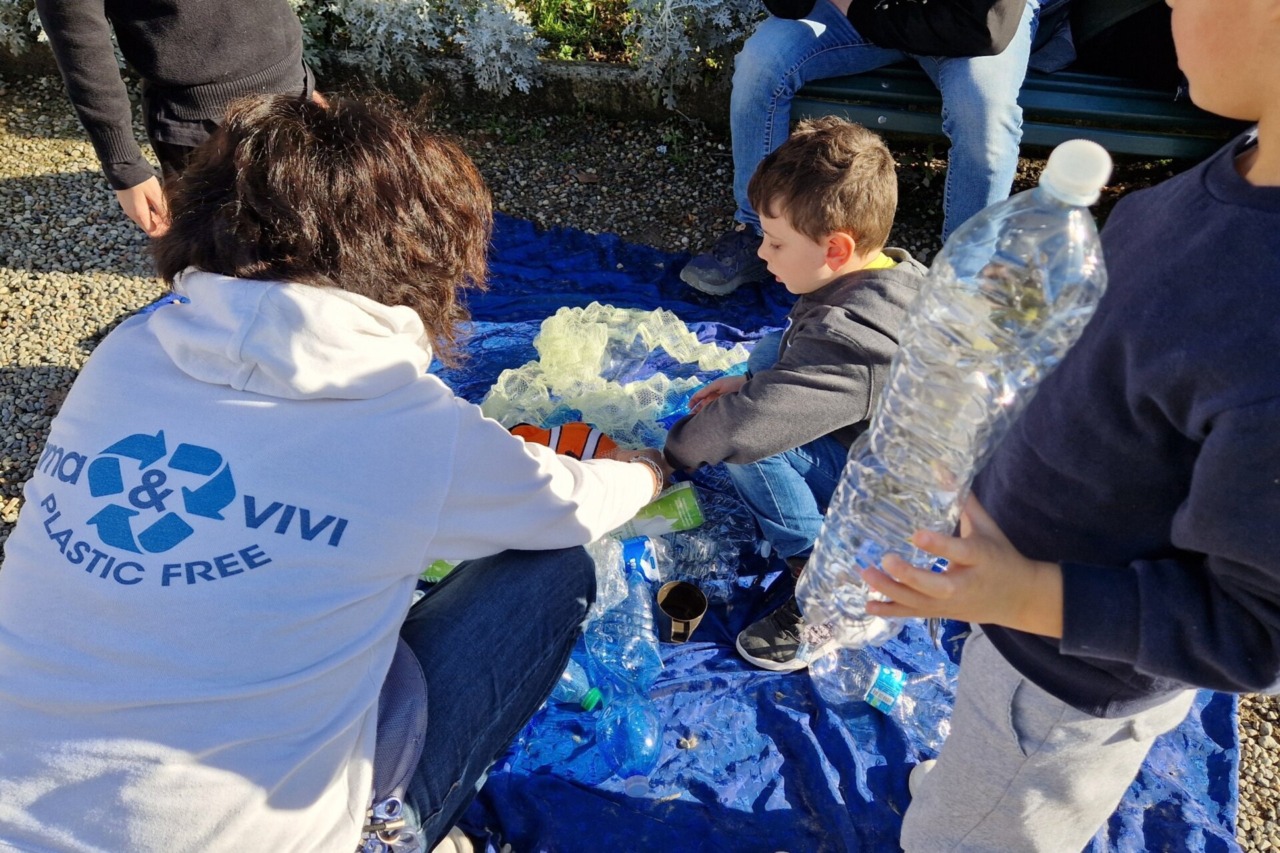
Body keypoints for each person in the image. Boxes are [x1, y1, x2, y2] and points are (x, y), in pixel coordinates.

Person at [0, 94, 672, 853]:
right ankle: (390, 831)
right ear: (419, 259)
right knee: (554, 569)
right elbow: (572, 503)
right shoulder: (409, 427)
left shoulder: (127, 352)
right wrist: (648, 470)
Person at [857, 0, 1280, 847]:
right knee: (986, 739)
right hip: (1017, 607)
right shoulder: (1248, 160)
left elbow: (1255, 629)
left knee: (974, 821)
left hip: (1064, 680)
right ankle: (973, 784)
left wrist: (1019, 592)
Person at [661, 116, 926, 671]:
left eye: (776, 242)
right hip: (898, 448)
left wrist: (671, 456)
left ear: (836, 248)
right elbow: (799, 354)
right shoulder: (890, 274)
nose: (762, 254)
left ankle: (832, 586)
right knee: (764, 362)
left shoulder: (849, 336)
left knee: (750, 441)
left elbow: (747, 427)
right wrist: (752, 380)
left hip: (905, 504)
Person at [680, 0, 1074, 296]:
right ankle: (760, 231)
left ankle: (964, 277)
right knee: (762, 63)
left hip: (964, 21)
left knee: (984, 115)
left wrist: (859, 8)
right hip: (871, 9)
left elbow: (985, 28)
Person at [34, 0, 320, 237]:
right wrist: (124, 166)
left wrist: (300, 77)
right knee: (231, 264)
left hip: (294, 89)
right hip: (204, 125)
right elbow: (78, 38)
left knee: (311, 243)